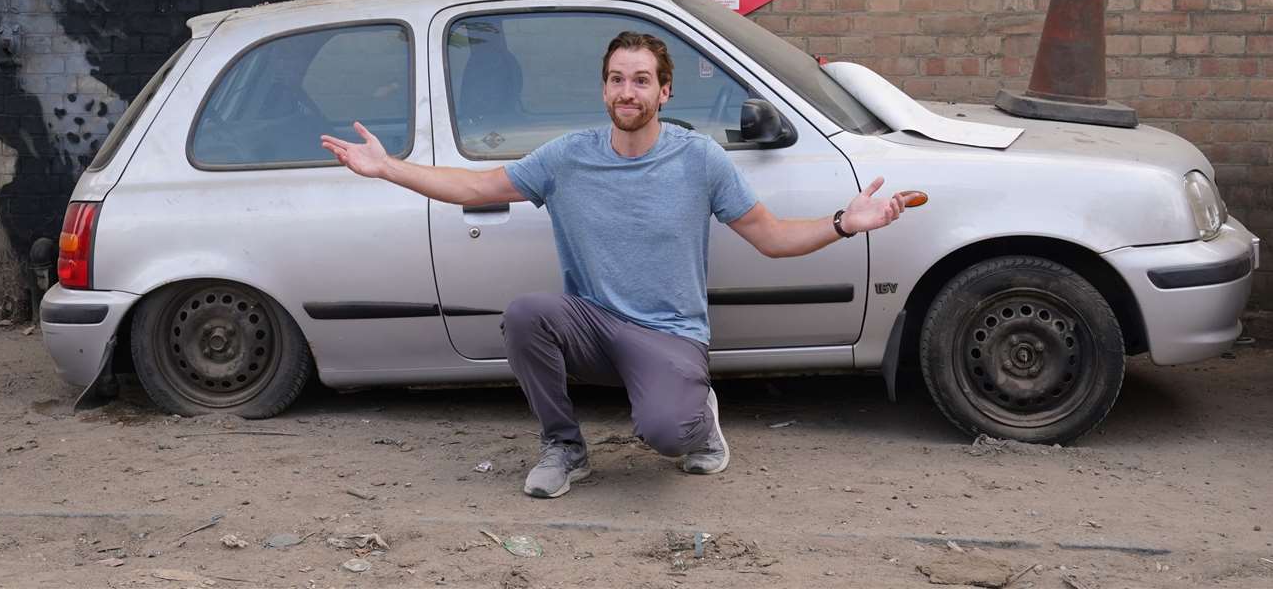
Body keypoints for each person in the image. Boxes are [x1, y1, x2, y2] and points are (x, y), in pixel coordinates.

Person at [322, 30, 907, 499]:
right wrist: (388, 168)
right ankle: (564, 449)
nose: (629, 92)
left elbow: (773, 238)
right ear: (604, 90)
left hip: (669, 336)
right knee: (527, 315)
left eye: (642, 81)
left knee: (664, 436)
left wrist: (842, 223)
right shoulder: (567, 157)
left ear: (664, 93)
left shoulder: (698, 159)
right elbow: (475, 186)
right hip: (596, 327)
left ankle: (697, 413)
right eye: (617, 80)